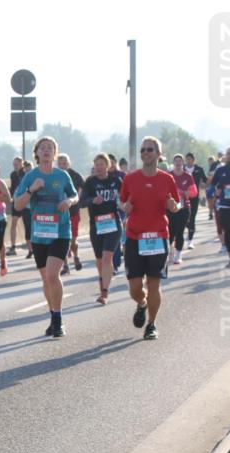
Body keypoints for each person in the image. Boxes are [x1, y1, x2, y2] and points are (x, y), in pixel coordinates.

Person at [13, 136, 78, 338]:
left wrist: (68, 200)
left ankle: (58, 320)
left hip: (60, 232)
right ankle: (52, 315)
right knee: (45, 280)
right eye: (43, 148)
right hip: (40, 234)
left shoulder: (62, 176)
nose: (47, 151)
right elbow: (17, 205)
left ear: (55, 153)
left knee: (52, 275)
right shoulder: (30, 177)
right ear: (37, 153)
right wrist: (32, 190)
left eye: (50, 148)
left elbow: (75, 196)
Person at [120, 136, 179, 340]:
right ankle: (142, 303)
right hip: (135, 237)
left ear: (159, 154)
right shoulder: (130, 179)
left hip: (158, 236)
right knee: (135, 288)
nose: (146, 153)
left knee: (154, 285)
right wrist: (125, 207)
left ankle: (151, 324)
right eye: (143, 150)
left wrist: (173, 206)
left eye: (150, 150)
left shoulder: (167, 179)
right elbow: (122, 203)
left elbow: (175, 203)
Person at [79, 153, 123, 305]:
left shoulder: (116, 181)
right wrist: (92, 200)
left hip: (113, 222)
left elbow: (125, 197)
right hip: (96, 224)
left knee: (107, 257)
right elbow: (81, 202)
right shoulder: (90, 182)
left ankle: (104, 293)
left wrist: (124, 206)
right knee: (99, 261)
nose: (98, 167)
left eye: (101, 164)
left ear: (108, 165)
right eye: (96, 165)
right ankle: (103, 286)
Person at [57, 154, 86, 273]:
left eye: (65, 163)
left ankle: (76, 256)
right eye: (60, 164)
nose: (63, 166)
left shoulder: (76, 176)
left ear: (69, 163)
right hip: (60, 213)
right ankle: (65, 265)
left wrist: (74, 200)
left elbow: (81, 191)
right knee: (62, 240)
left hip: (73, 211)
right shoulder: (55, 175)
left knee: (73, 240)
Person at [168, 154, 196, 265]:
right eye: (176, 161)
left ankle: (178, 255)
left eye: (180, 161)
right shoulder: (169, 176)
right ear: (173, 163)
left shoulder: (188, 176)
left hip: (184, 208)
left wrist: (185, 193)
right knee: (170, 232)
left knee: (179, 232)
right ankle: (169, 253)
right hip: (171, 208)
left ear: (183, 163)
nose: (178, 163)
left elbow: (194, 192)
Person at [184, 153, 207, 248]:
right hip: (183, 198)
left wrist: (203, 185)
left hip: (194, 197)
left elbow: (205, 180)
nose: (188, 161)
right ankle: (185, 235)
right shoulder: (182, 169)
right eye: (187, 159)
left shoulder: (199, 169)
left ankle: (190, 240)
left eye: (190, 159)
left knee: (192, 218)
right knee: (184, 219)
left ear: (193, 160)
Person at [8, 157, 25, 254]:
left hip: (26, 201)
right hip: (16, 201)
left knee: (28, 224)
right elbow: (13, 187)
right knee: (13, 222)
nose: (15, 166)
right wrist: (10, 197)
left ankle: (33, 244)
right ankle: (13, 246)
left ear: (21, 164)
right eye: (14, 164)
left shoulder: (26, 174)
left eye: (17, 164)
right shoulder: (13, 174)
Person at [21, 160, 35, 259]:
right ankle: (30, 250)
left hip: (36, 208)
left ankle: (37, 248)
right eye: (26, 170)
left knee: (36, 228)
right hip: (26, 207)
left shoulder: (37, 177)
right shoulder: (23, 180)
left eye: (29, 169)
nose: (28, 172)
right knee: (28, 228)